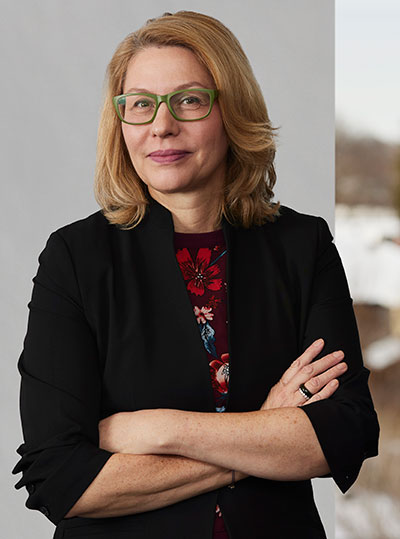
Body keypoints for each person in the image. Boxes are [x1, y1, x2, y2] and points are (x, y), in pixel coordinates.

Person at [12, 10, 379, 539]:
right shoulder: (74, 257)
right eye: (141, 104)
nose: (162, 125)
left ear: (233, 111)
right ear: (120, 121)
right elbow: (60, 479)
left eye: (188, 100)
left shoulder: (303, 245)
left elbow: (345, 434)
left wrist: (157, 429)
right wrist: (265, 430)